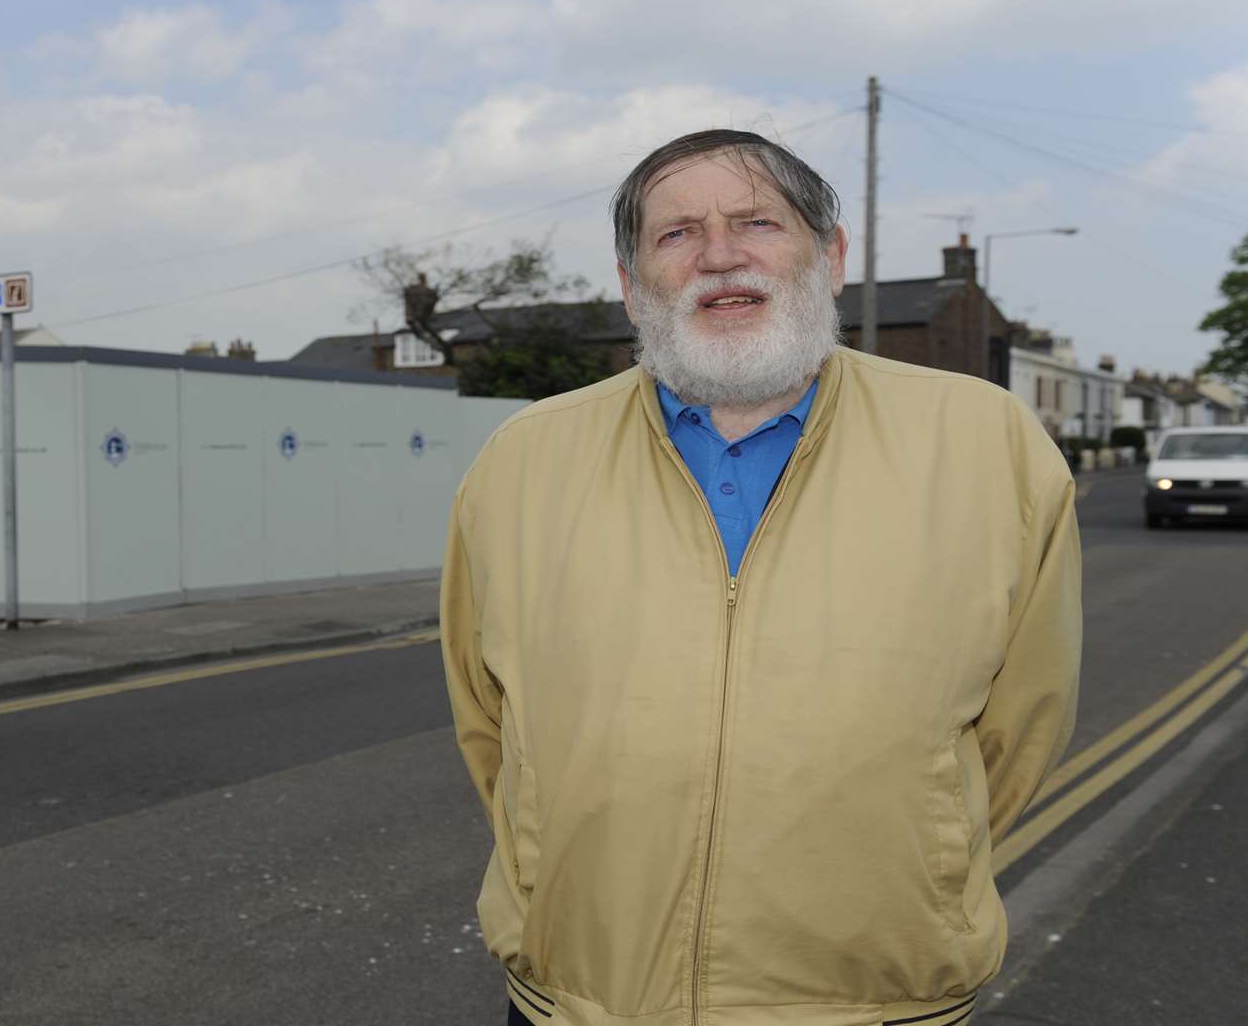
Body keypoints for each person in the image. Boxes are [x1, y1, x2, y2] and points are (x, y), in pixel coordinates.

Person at [441, 129, 1080, 1026]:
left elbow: (1026, 723)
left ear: (831, 256)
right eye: (675, 234)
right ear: (631, 285)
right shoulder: (522, 460)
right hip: (585, 1005)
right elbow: (490, 722)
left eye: (757, 222)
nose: (720, 254)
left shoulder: (988, 444)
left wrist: (922, 862)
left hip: (873, 1006)